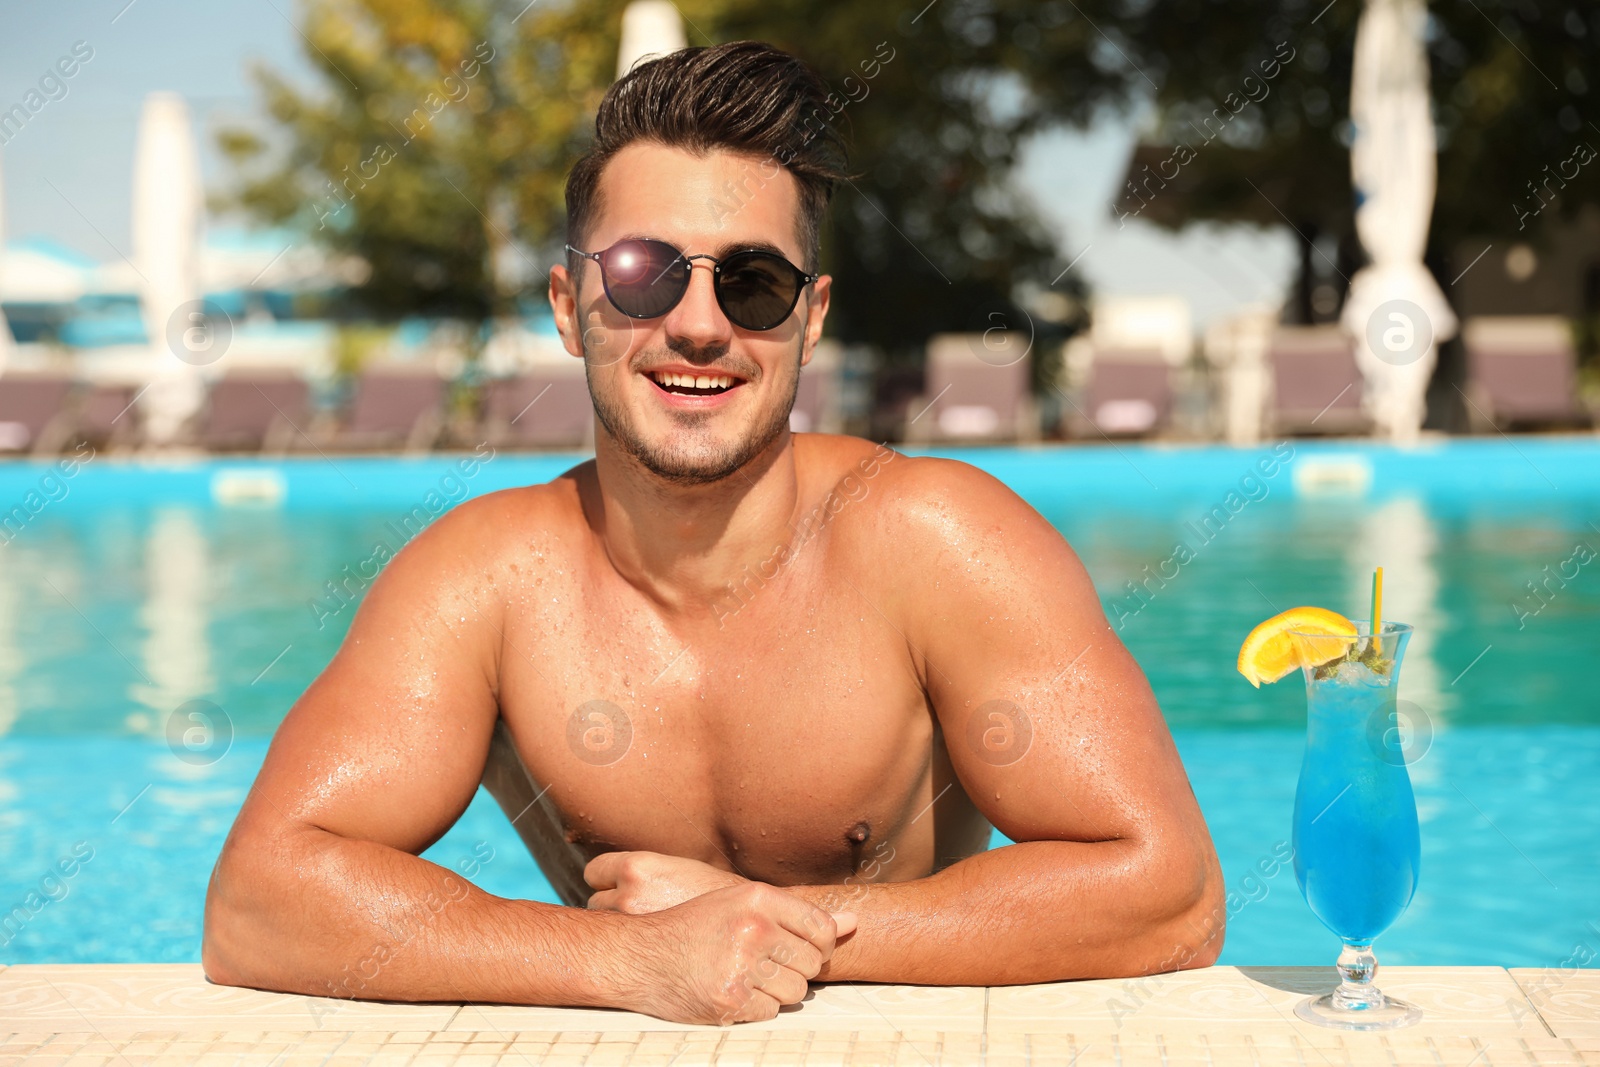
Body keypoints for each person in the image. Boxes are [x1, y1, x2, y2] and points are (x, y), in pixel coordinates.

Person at [203, 40, 1224, 1026]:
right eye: (645, 273)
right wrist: (631, 957)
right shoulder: (485, 579)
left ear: (809, 318)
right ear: (568, 304)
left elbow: (1166, 889)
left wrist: (784, 927)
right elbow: (259, 901)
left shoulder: (935, 541)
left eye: (753, 282)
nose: (698, 324)